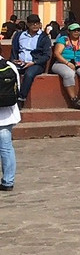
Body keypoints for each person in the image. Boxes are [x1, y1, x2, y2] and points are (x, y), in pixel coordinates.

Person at [9, 14, 52, 107]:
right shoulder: (20, 35)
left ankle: (21, 98)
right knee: (9, 73)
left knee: (29, 74)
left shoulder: (44, 37)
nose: (35, 25)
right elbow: (14, 50)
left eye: (37, 23)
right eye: (33, 23)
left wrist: (34, 62)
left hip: (35, 63)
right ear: (28, 24)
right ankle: (9, 97)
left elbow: (47, 55)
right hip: (20, 62)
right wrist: (14, 60)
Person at [53, 23, 80, 110]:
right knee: (69, 74)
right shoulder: (63, 39)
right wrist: (67, 63)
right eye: (74, 30)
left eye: (78, 30)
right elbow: (57, 53)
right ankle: (73, 99)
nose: (76, 32)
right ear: (69, 31)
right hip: (63, 62)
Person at [0, 57, 21, 191]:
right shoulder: (10, 66)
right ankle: (8, 181)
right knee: (6, 148)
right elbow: (17, 89)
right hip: (7, 114)